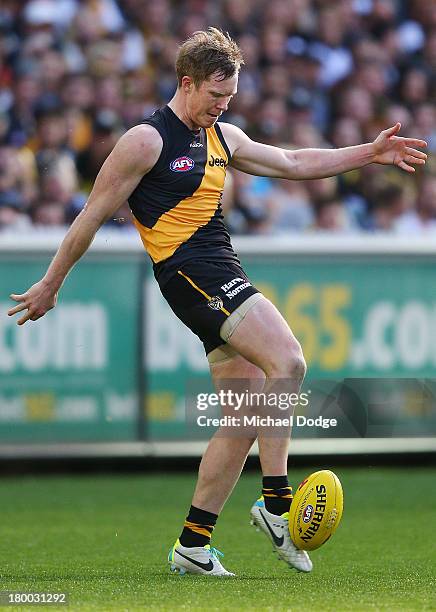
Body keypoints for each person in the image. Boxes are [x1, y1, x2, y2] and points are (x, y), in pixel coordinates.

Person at [7, 28, 427, 577]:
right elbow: (89, 218)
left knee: (245, 414)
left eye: (229, 98)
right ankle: (277, 503)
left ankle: (193, 545)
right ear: (187, 83)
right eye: (215, 95)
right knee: (290, 361)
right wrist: (50, 283)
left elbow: (295, 161)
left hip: (219, 270)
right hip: (190, 274)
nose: (223, 106)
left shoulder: (222, 136)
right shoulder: (145, 141)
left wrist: (368, 153)